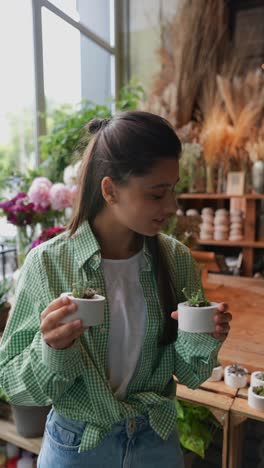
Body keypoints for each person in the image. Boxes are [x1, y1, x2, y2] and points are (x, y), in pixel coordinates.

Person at [0, 111, 231, 468]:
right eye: (157, 194)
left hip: (157, 440)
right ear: (110, 190)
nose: (171, 207)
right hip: (77, 445)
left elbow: (191, 376)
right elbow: (12, 384)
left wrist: (204, 337)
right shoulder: (49, 265)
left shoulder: (176, 260)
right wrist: (51, 348)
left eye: (172, 190)